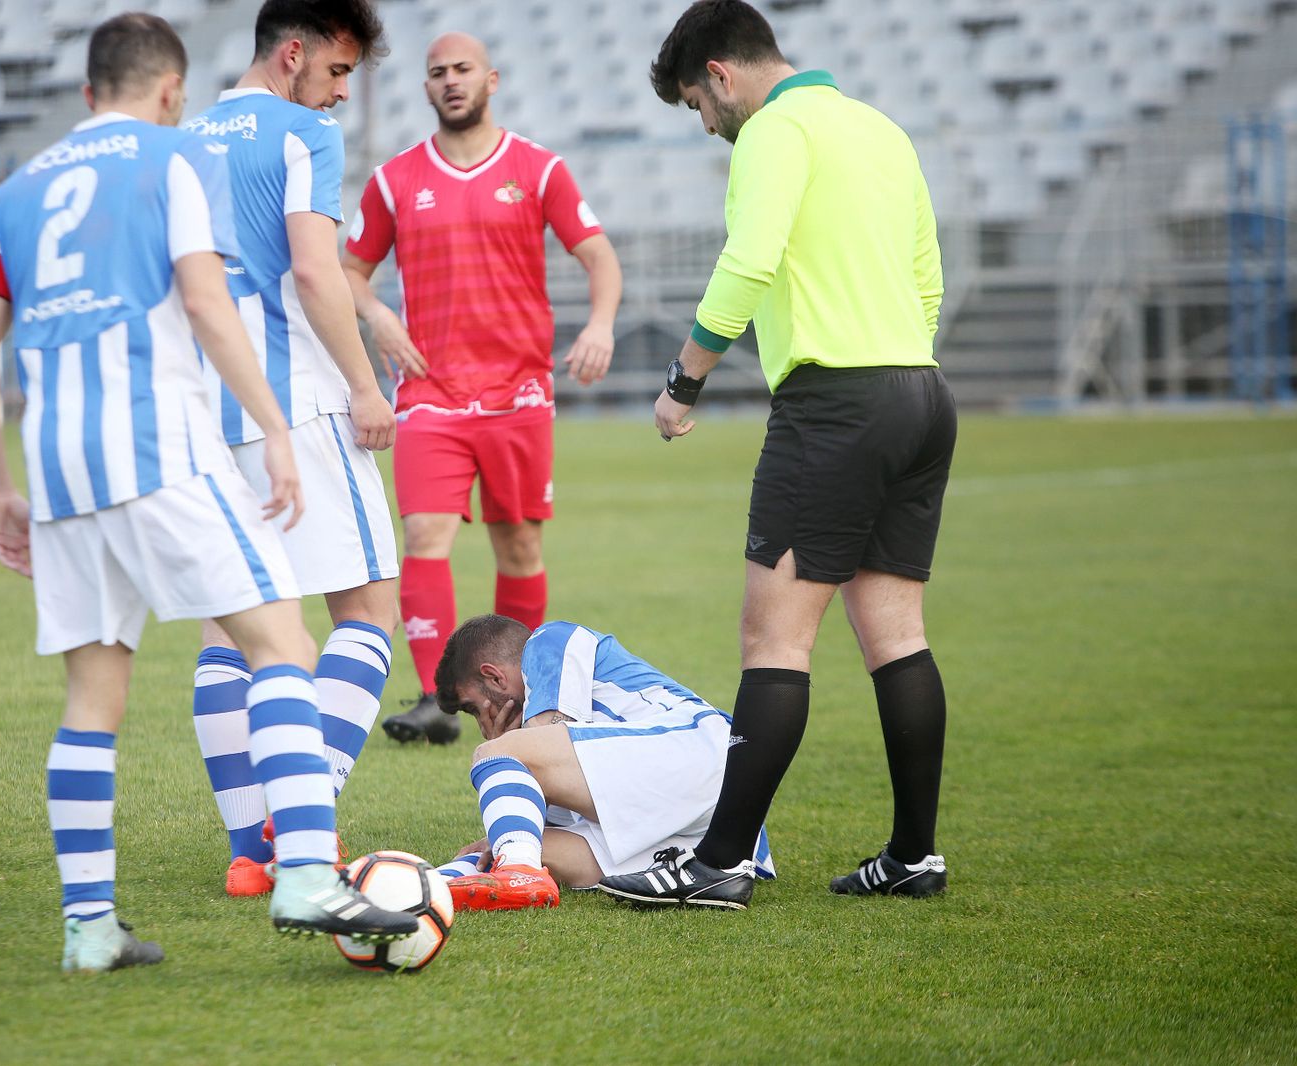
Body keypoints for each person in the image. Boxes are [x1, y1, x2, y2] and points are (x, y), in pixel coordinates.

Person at [0, 12, 416, 972]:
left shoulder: (15, 190)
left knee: (95, 693)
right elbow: (215, 298)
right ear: (167, 91)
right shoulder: (173, 161)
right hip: (170, 445)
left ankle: (89, 930)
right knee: (287, 637)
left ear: (86, 94)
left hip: (58, 467)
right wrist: (280, 423)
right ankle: (301, 866)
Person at [596, 0, 955, 910]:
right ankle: (915, 855)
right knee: (896, 636)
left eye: (697, 107)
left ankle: (714, 865)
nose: (708, 127)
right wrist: (895, 372)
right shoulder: (879, 128)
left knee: (774, 639)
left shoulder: (774, 129)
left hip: (835, 404)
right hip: (918, 390)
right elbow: (928, 277)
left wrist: (684, 381)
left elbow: (748, 261)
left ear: (720, 74)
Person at [341, 31, 624, 745]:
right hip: (430, 392)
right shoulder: (394, 180)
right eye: (437, 72)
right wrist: (376, 313)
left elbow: (598, 256)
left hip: (517, 394)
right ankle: (437, 698)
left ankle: (515, 697)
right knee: (424, 535)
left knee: (519, 549)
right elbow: (348, 271)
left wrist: (601, 325)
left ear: (490, 79)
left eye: (462, 69)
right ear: (427, 88)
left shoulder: (538, 169)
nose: (450, 81)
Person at [180, 0, 400, 900]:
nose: (342, 94)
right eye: (339, 72)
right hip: (297, 404)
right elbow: (315, 271)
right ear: (296, 55)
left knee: (229, 631)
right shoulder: (301, 134)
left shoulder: (183, 141)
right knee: (370, 611)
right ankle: (295, 820)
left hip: (206, 413)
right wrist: (362, 385)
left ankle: (246, 850)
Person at [428, 614, 775, 911]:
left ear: (494, 677)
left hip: (700, 749)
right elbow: (555, 811)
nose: (482, 721)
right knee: (529, 846)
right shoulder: (580, 755)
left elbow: (541, 737)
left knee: (496, 753)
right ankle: (422, 888)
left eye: (475, 708)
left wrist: (505, 745)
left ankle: (519, 873)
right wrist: (503, 841)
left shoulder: (548, 640)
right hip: (702, 823)